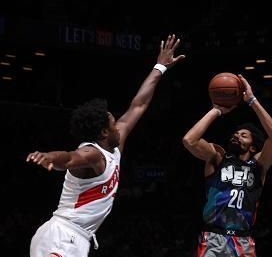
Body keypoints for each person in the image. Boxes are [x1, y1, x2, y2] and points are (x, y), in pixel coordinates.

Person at [26, 34, 185, 257]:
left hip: (77, 238)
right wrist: (49, 157)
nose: (118, 127)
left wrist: (160, 67)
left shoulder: (113, 148)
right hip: (62, 237)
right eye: (113, 124)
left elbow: (138, 105)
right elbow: (69, 158)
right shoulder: (93, 153)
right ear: (103, 132)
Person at [182, 74, 272, 257]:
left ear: (253, 147)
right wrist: (216, 111)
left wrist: (252, 100)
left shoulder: (258, 165)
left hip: (243, 241)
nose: (237, 135)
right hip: (213, 237)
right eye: (236, 133)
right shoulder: (217, 157)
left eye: (244, 135)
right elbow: (189, 140)